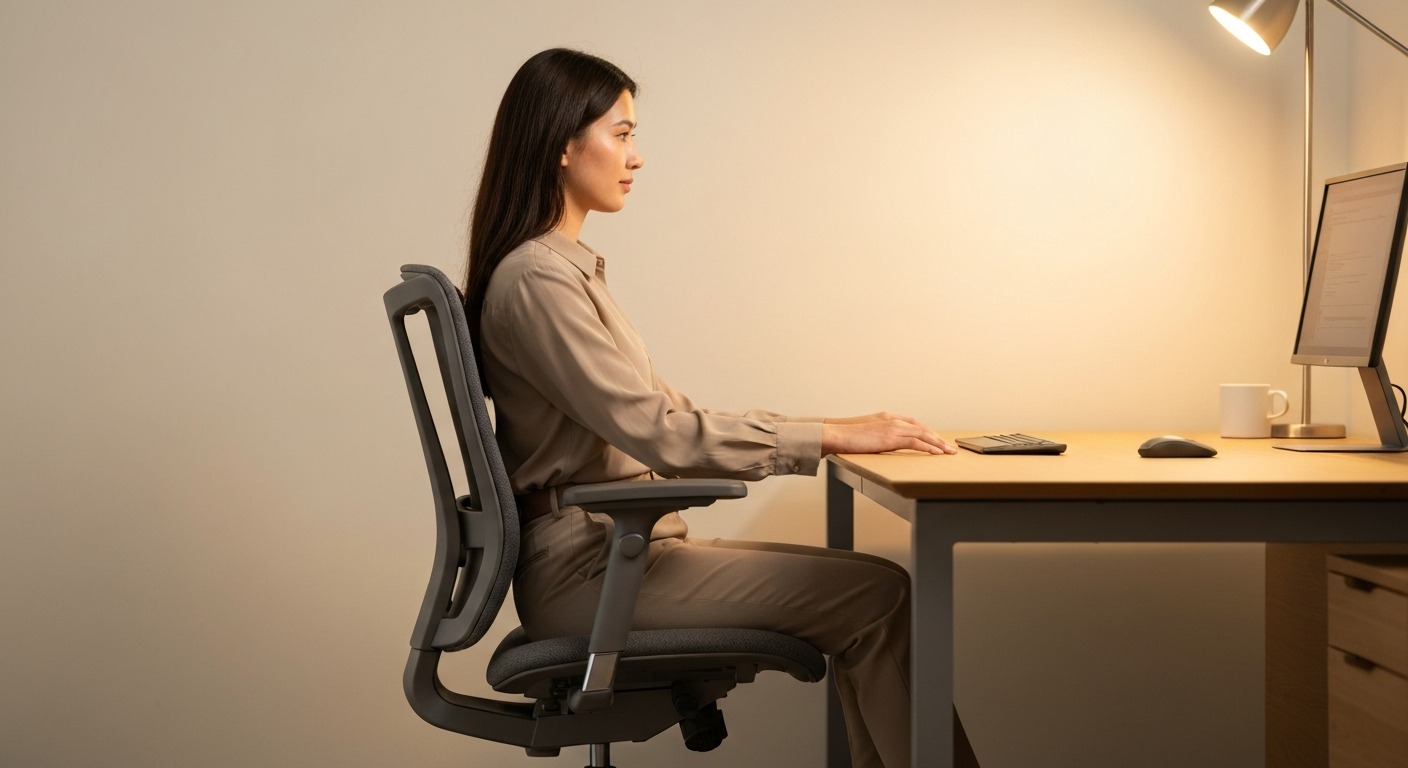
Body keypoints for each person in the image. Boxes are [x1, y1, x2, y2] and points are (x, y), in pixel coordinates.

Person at [462, 48, 980, 768]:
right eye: (622, 133)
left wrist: (834, 432)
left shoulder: (557, 273)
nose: (635, 157)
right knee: (882, 597)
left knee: (877, 592)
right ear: (562, 145)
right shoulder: (537, 281)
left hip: (616, 559)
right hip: (593, 575)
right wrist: (832, 435)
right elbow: (663, 436)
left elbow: (667, 415)